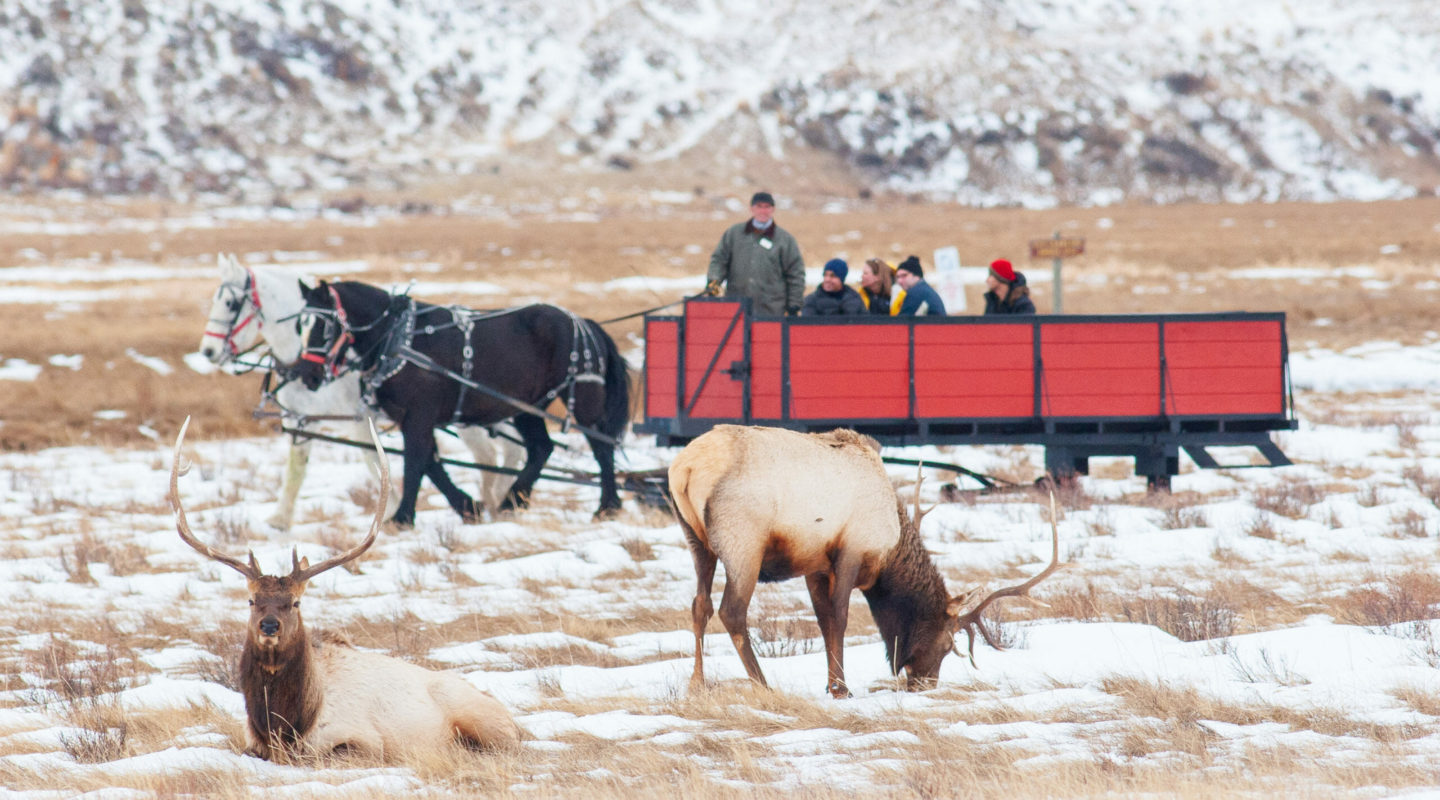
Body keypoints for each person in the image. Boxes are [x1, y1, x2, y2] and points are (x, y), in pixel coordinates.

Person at [704, 191, 805, 316]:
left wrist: (794, 303)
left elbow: (795, 273)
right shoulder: (734, 234)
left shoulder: (785, 240)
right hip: (737, 306)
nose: (763, 211)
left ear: (773, 209)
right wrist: (714, 281)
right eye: (759, 206)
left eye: (767, 207)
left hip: (771, 309)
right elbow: (719, 260)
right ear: (751, 208)